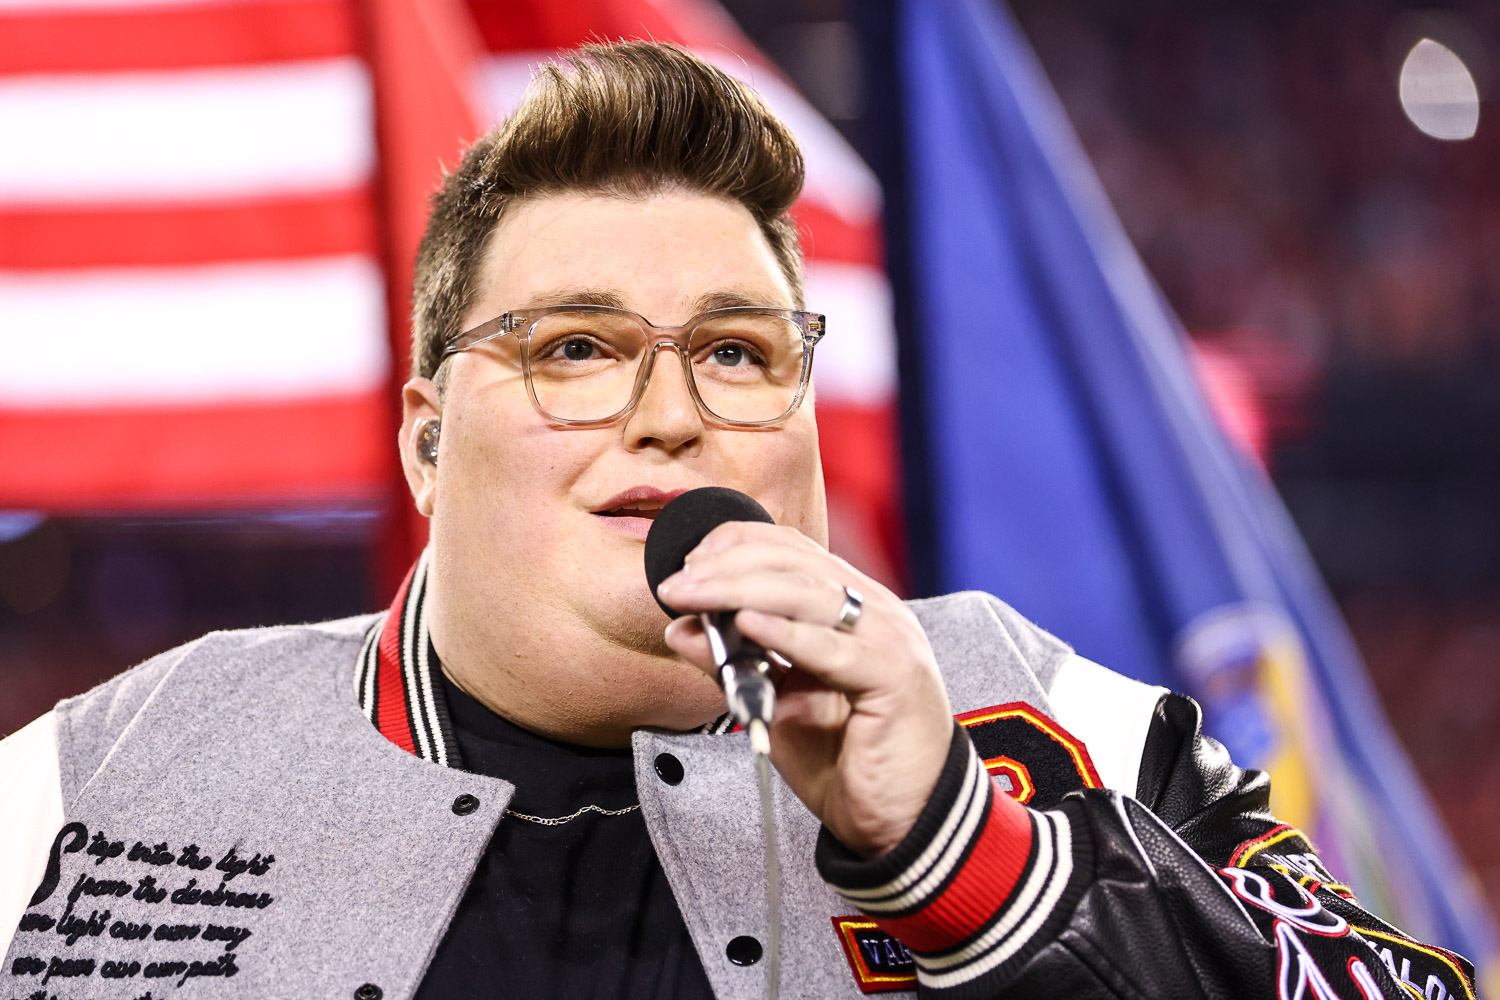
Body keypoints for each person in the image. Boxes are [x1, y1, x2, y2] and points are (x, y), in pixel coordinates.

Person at [0, 40, 1478, 1000]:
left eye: (737, 352)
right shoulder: (111, 769)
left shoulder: (1052, 713)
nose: (673, 412)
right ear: (427, 444)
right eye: (576, 348)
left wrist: (969, 858)